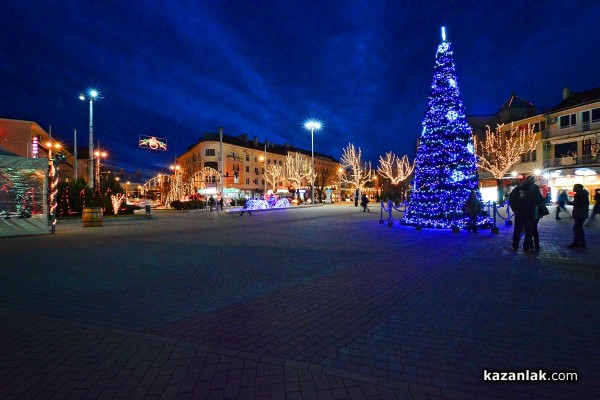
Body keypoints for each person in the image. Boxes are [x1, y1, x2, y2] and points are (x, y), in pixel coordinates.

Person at [509, 176, 544, 253]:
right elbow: (539, 200)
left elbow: (511, 199)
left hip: (520, 213)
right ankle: (526, 248)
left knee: (517, 230)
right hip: (529, 213)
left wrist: (515, 208)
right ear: (533, 181)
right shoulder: (534, 188)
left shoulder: (518, 188)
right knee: (529, 231)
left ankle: (515, 246)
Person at [568, 184, 589, 248]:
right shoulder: (580, 194)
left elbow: (580, 204)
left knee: (577, 228)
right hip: (580, 213)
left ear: (578, 188)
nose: (573, 188)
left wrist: (572, 203)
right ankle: (580, 242)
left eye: (574, 187)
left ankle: (578, 242)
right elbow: (577, 203)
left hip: (580, 214)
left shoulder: (581, 195)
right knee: (578, 228)